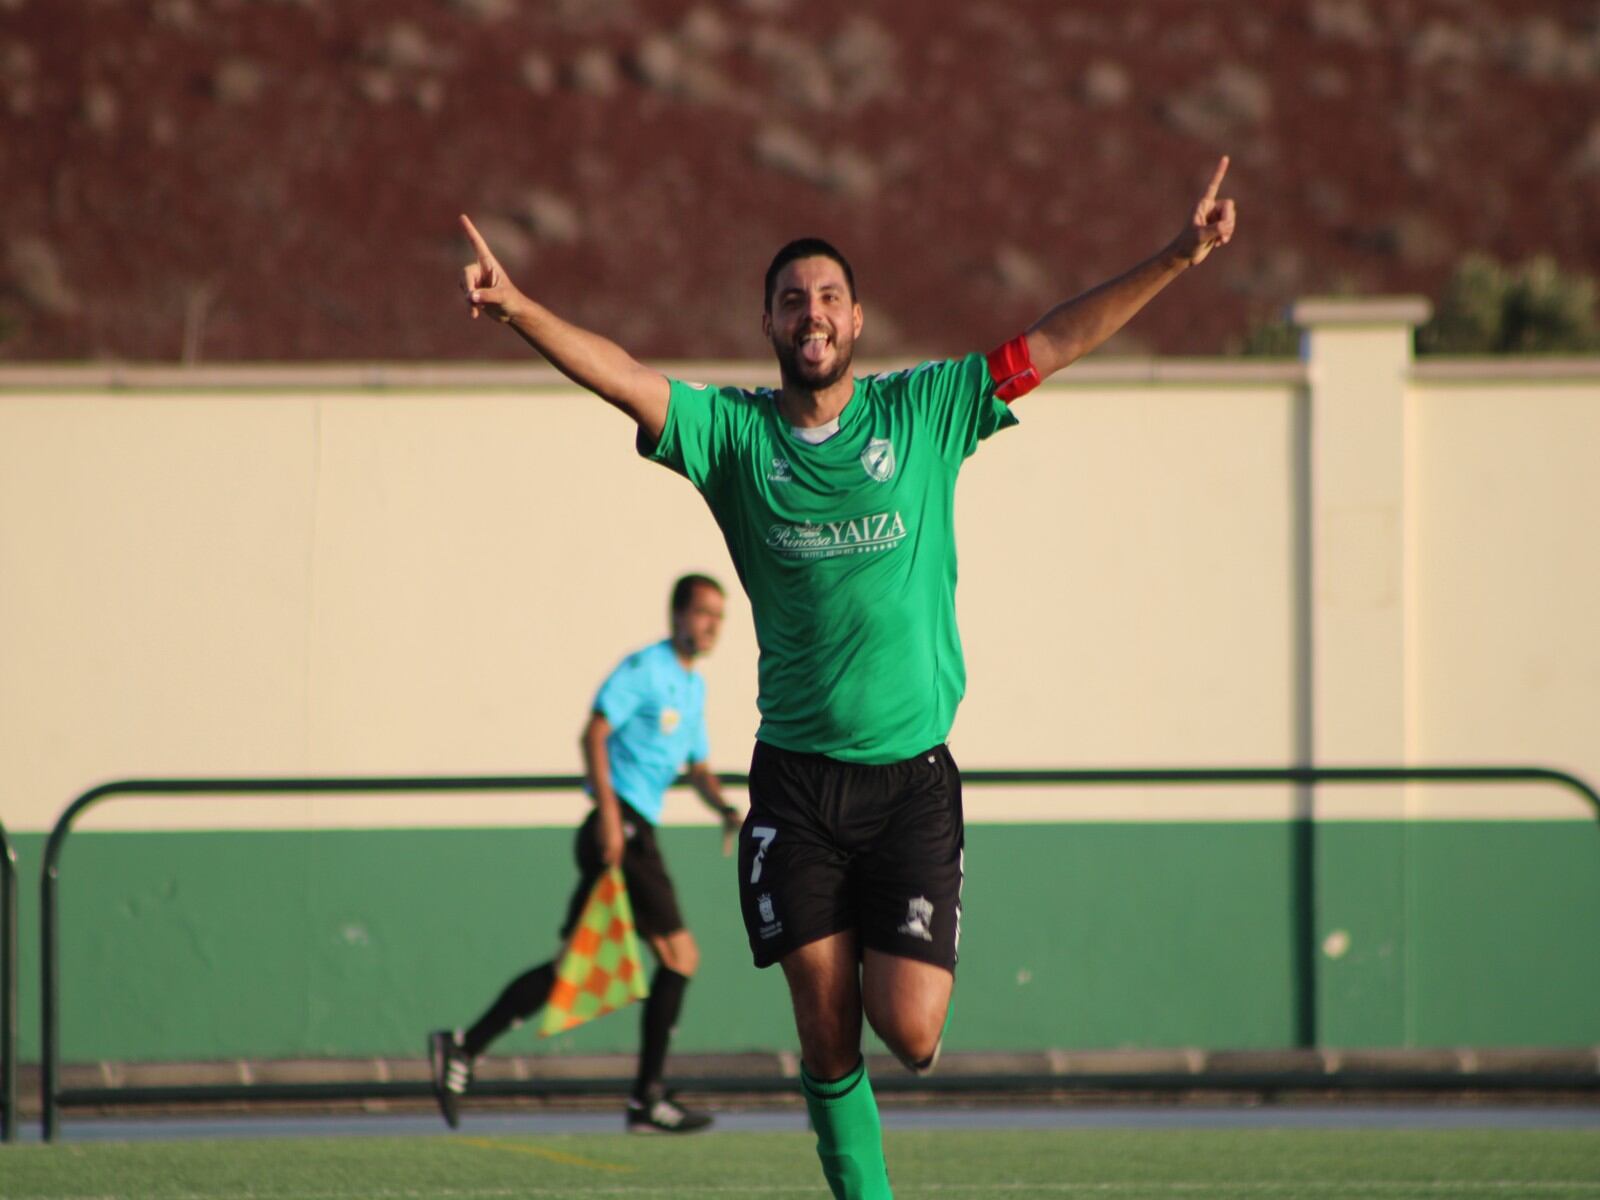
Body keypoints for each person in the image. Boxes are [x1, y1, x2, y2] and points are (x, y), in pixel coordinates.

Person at [455, 158, 1237, 1196]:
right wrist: (517, 311)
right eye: (791, 300)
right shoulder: (732, 436)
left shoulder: (928, 410)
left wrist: (1178, 256)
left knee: (907, 1032)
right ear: (770, 324)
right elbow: (622, 374)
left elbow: (1055, 338)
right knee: (825, 1036)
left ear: (857, 320)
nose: (810, 313)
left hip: (910, 781)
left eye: (828, 296)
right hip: (796, 787)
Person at [429, 573, 740, 1134]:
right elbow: (593, 734)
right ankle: (646, 1100)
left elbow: (696, 766)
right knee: (680, 957)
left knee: (569, 969)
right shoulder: (645, 669)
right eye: (702, 613)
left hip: (633, 831)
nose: (712, 625)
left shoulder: (693, 687)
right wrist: (613, 819)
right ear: (677, 616)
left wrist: (724, 807)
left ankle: (462, 1047)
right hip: (621, 830)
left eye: (719, 616)